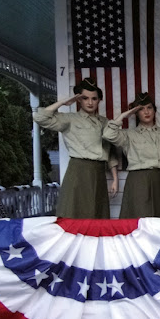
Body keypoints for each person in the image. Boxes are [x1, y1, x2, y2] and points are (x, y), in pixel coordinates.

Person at [33, 78, 118, 219]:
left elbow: (110, 152)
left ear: (99, 100)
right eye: (85, 98)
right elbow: (39, 118)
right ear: (78, 99)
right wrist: (62, 103)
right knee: (75, 213)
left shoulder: (104, 122)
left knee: (97, 215)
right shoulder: (70, 119)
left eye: (94, 99)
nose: (90, 102)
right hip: (79, 170)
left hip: (99, 172)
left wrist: (115, 179)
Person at [103, 92, 160, 218]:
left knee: (158, 223)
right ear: (136, 113)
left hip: (159, 182)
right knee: (136, 222)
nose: (146, 112)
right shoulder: (129, 135)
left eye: (149, 107)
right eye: (141, 109)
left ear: (154, 110)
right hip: (137, 182)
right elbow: (107, 134)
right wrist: (125, 115)